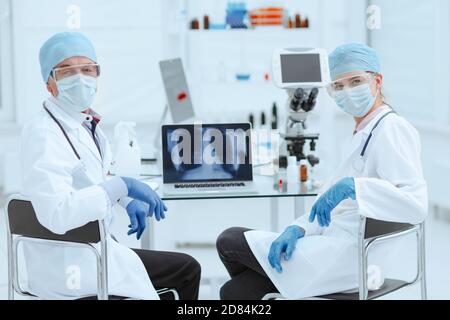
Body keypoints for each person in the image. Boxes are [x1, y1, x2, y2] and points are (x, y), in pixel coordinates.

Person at [216, 43, 428, 300]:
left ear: (377, 81)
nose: (346, 91)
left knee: (229, 241)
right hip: (335, 250)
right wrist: (299, 228)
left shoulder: (392, 128)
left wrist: (355, 186)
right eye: (338, 86)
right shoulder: (364, 132)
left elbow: (415, 205)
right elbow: (328, 207)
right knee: (234, 291)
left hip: (353, 257)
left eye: (356, 81)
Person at [20, 32, 201, 300]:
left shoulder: (84, 124)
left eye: (87, 69)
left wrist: (126, 199)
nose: (80, 78)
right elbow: (57, 214)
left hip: (92, 254)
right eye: (67, 71)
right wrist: (122, 185)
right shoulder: (44, 133)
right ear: (49, 84)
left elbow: (93, 176)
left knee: (186, 267)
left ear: (97, 75)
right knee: (186, 271)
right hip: (71, 269)